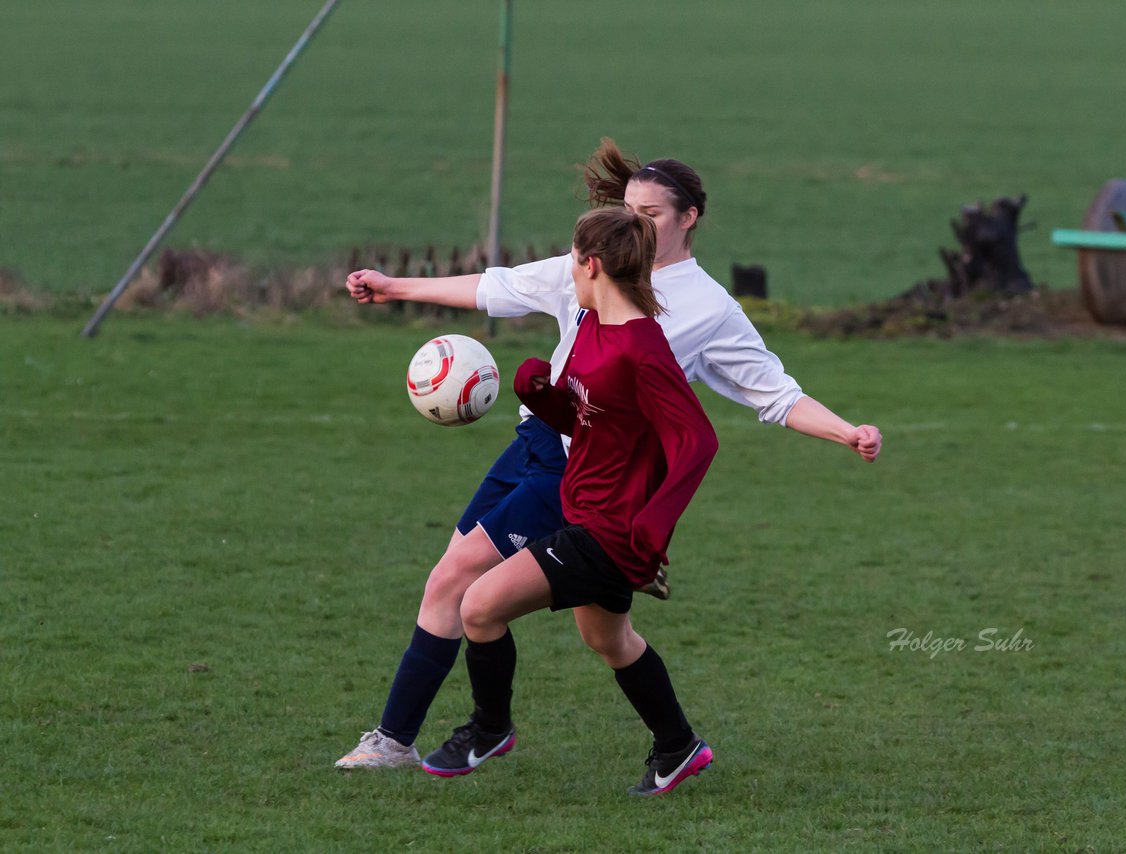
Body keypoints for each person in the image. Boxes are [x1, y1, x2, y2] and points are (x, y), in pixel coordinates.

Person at [335, 139, 881, 770]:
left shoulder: (704, 309)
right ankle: (676, 741)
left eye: (649, 214)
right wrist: (394, 286)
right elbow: (499, 287)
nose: (633, 222)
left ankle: (408, 739)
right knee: (604, 634)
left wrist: (846, 430)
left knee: (457, 581)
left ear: (688, 219)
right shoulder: (593, 263)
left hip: (585, 469)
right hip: (536, 441)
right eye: (628, 208)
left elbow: (773, 394)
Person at [422, 206, 718, 795]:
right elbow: (588, 420)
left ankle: (489, 729)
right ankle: (679, 746)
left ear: (594, 263)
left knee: (479, 606)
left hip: (610, 530)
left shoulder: (642, 347)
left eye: (573, 259)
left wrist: (652, 531)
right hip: (584, 510)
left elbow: (698, 441)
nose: (569, 271)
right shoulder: (588, 324)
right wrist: (541, 393)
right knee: (609, 640)